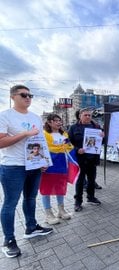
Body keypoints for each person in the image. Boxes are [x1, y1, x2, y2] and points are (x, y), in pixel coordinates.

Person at [0, 85, 53, 258]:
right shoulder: (5, 116)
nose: (28, 97)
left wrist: (44, 160)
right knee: (10, 203)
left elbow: (40, 141)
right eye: (24, 95)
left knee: (30, 198)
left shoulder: (35, 117)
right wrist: (24, 133)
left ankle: (31, 227)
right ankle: (9, 240)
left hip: (34, 165)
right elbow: (1, 142)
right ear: (13, 96)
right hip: (13, 166)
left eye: (30, 95)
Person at [40, 114, 73, 225]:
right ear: (49, 122)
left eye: (60, 121)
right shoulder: (44, 134)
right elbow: (40, 149)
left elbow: (69, 147)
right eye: (56, 121)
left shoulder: (63, 134)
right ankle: (48, 214)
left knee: (60, 187)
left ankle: (61, 210)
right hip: (48, 166)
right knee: (46, 189)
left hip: (61, 165)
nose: (59, 123)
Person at [68, 108, 103, 212]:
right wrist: (77, 149)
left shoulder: (96, 127)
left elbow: (102, 142)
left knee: (92, 180)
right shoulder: (73, 128)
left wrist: (103, 137)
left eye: (89, 115)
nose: (88, 117)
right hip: (80, 159)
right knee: (80, 181)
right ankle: (78, 202)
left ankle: (91, 197)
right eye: (85, 115)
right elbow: (68, 143)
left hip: (92, 158)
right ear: (80, 116)